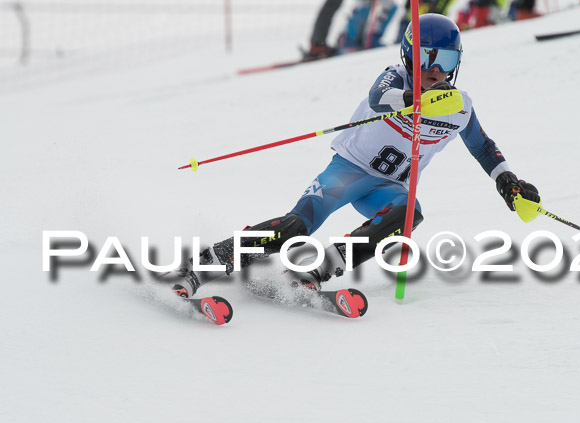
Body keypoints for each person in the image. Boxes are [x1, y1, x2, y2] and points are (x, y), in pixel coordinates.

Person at [169, 14, 540, 299]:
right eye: (427, 58)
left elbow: (482, 147)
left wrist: (507, 182)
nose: (436, 70)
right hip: (347, 172)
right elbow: (379, 98)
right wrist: (414, 102)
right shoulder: (394, 79)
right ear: (409, 55)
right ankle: (201, 266)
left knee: (409, 213)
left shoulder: (459, 107)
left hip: (390, 187)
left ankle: (314, 272)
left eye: (446, 59)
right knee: (297, 227)